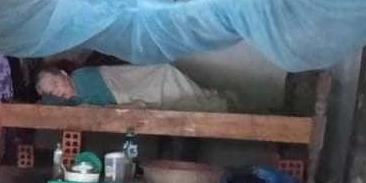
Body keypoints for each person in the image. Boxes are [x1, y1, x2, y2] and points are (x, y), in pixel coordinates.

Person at [36, 63, 231, 112]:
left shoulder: (82, 77)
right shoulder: (74, 99)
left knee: (166, 77)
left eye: (55, 84)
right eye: (53, 92)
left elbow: (116, 88)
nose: (57, 91)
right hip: (128, 95)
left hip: (138, 82)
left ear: (64, 74)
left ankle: (214, 100)